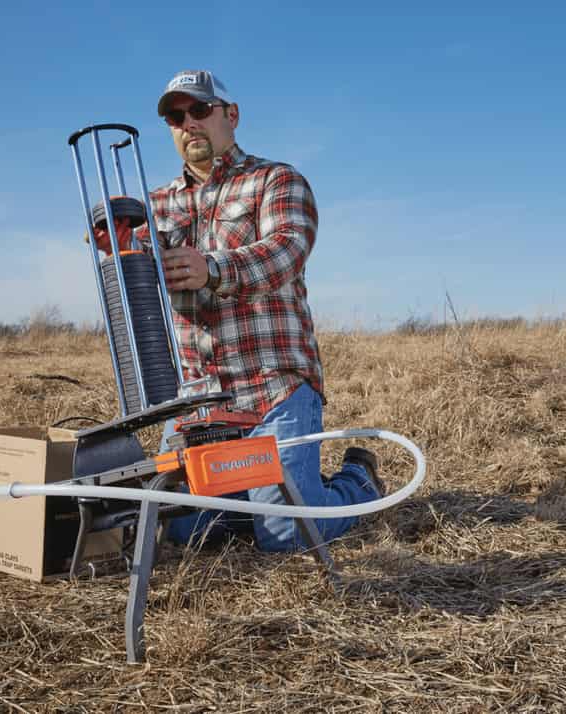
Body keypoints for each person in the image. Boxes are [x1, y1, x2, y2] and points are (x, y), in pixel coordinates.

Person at [93, 70, 383, 553]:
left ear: (231, 115)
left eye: (199, 110)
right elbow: (133, 286)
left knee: (288, 535)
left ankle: (357, 480)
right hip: (198, 401)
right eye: (175, 116)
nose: (188, 123)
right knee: (185, 529)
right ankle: (261, 498)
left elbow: (286, 250)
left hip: (273, 388)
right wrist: (117, 249)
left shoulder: (276, 180)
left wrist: (211, 267)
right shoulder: (155, 205)